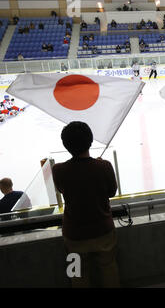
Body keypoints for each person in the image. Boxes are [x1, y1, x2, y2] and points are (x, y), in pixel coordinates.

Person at [52, 121, 120, 288]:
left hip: (74, 234)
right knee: (108, 268)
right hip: (103, 231)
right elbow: (111, 192)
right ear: (90, 140)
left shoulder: (58, 170)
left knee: (77, 274)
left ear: (66, 144)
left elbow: (62, 189)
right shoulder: (104, 166)